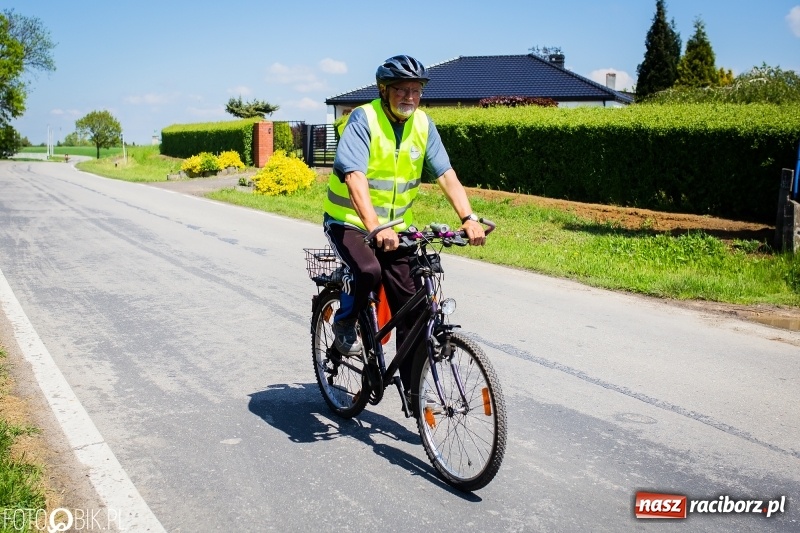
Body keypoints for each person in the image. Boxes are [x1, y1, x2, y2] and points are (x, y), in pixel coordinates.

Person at [323, 54, 486, 391]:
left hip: (396, 230)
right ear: (384, 90)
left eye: (416, 90)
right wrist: (375, 227)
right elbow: (354, 178)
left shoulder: (424, 125)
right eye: (401, 90)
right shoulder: (363, 120)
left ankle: (414, 394)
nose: (409, 97)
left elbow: (446, 174)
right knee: (368, 270)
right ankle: (345, 324)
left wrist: (468, 218)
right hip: (349, 223)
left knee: (415, 310)